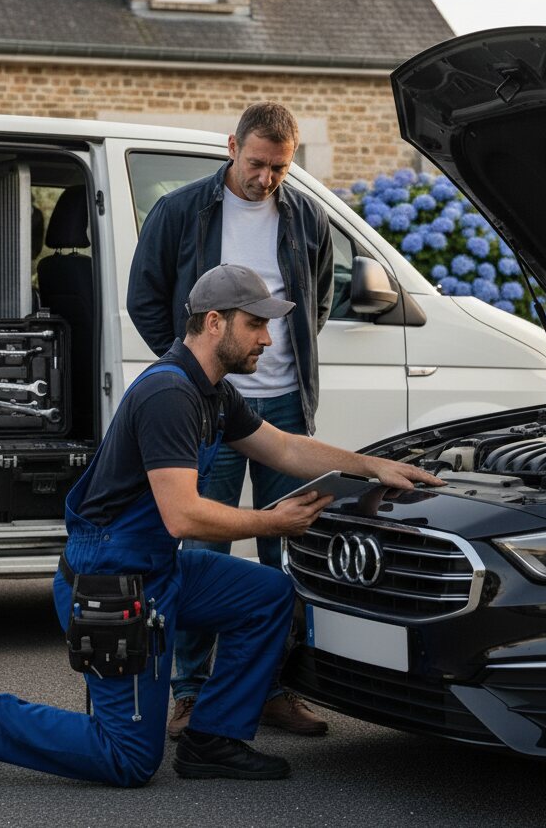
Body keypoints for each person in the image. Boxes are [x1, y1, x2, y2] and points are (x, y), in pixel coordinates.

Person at [0, 264, 441, 790]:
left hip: (157, 569)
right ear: (215, 322)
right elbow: (183, 515)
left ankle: (213, 738)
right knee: (127, 758)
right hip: (111, 582)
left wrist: (372, 466)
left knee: (267, 595)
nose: (267, 339)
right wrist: (274, 523)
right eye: (255, 324)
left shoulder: (212, 391)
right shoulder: (169, 395)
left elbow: (283, 447)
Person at [127, 101, 335, 738]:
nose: (266, 178)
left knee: (287, 552)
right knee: (203, 548)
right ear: (231, 147)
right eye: (257, 163)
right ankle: (190, 693)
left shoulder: (308, 216)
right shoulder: (180, 210)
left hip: (285, 404)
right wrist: (199, 374)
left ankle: (272, 689)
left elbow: (318, 300)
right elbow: (144, 297)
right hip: (211, 409)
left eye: (280, 168)